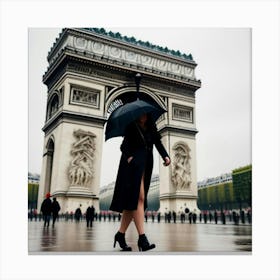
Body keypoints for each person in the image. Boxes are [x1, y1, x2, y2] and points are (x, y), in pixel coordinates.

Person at [110, 113, 171, 251]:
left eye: (145, 114)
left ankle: (120, 234)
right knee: (140, 197)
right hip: (132, 166)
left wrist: (166, 156)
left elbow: (158, 143)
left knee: (132, 202)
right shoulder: (131, 126)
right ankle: (142, 238)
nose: (143, 116)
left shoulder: (151, 127)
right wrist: (130, 157)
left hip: (146, 165)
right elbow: (123, 147)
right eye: (141, 114)